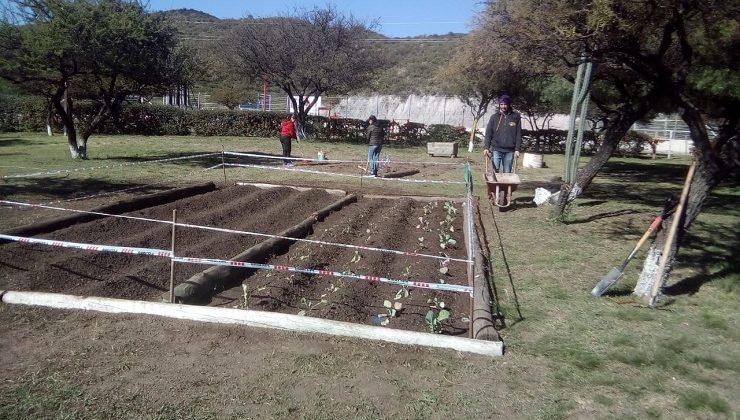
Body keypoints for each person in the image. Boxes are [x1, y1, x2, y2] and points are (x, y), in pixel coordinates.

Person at [483, 95, 522, 173]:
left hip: (509, 150)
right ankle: (495, 185)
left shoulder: (515, 117)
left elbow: (518, 134)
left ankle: (505, 185)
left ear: (509, 104)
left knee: (507, 173)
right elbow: (488, 133)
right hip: (496, 149)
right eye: (501, 104)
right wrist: (486, 147)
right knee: (495, 172)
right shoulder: (494, 117)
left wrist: (517, 149)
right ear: (499, 105)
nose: (503, 106)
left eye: (505, 104)